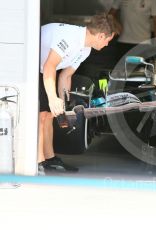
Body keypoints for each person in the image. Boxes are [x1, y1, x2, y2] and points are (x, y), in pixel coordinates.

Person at [39, 13, 117, 175]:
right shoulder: (70, 38)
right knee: (41, 117)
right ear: (101, 35)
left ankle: (49, 158)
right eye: (108, 40)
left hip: (46, 70)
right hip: (34, 67)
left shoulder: (85, 49)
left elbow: (66, 75)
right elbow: (49, 67)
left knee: (50, 115)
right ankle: (38, 161)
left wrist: (63, 102)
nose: (107, 45)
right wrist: (53, 98)